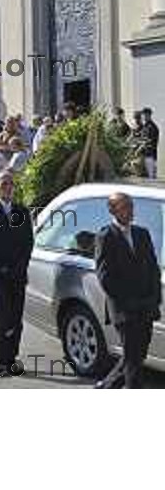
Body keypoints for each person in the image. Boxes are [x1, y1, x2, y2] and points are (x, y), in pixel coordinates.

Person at [95, 193, 162, 388]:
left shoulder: (142, 233)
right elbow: (105, 277)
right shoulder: (105, 236)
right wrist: (129, 302)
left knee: (137, 356)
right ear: (113, 210)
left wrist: (155, 298)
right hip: (125, 310)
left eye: (131, 206)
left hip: (146, 307)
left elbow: (153, 268)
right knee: (133, 361)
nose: (130, 210)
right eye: (124, 207)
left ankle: (106, 386)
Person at [0, 170, 34, 377]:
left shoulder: (21, 211)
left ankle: (11, 357)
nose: (7, 187)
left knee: (16, 317)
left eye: (10, 184)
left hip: (17, 273)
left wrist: (19, 266)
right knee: (1, 314)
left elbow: (28, 242)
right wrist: (0, 268)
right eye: (3, 184)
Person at [141, 107, 159, 179]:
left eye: (145, 115)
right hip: (145, 154)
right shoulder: (145, 126)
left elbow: (150, 141)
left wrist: (142, 145)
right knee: (146, 177)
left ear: (149, 115)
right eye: (143, 115)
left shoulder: (152, 127)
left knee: (151, 178)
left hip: (150, 155)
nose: (143, 117)